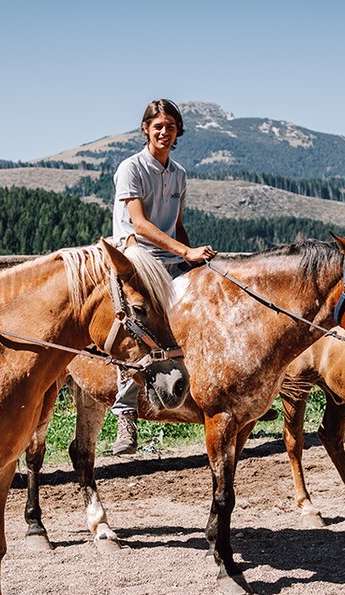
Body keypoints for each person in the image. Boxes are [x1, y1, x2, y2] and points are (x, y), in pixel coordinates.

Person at [109, 99, 217, 455]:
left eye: (170, 126)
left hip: (169, 259)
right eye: (158, 126)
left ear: (177, 131)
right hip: (136, 259)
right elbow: (139, 224)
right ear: (145, 129)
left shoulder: (179, 174)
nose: (164, 131)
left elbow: (178, 225)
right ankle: (126, 417)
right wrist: (184, 253)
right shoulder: (131, 168)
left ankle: (221, 392)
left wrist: (196, 262)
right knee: (139, 329)